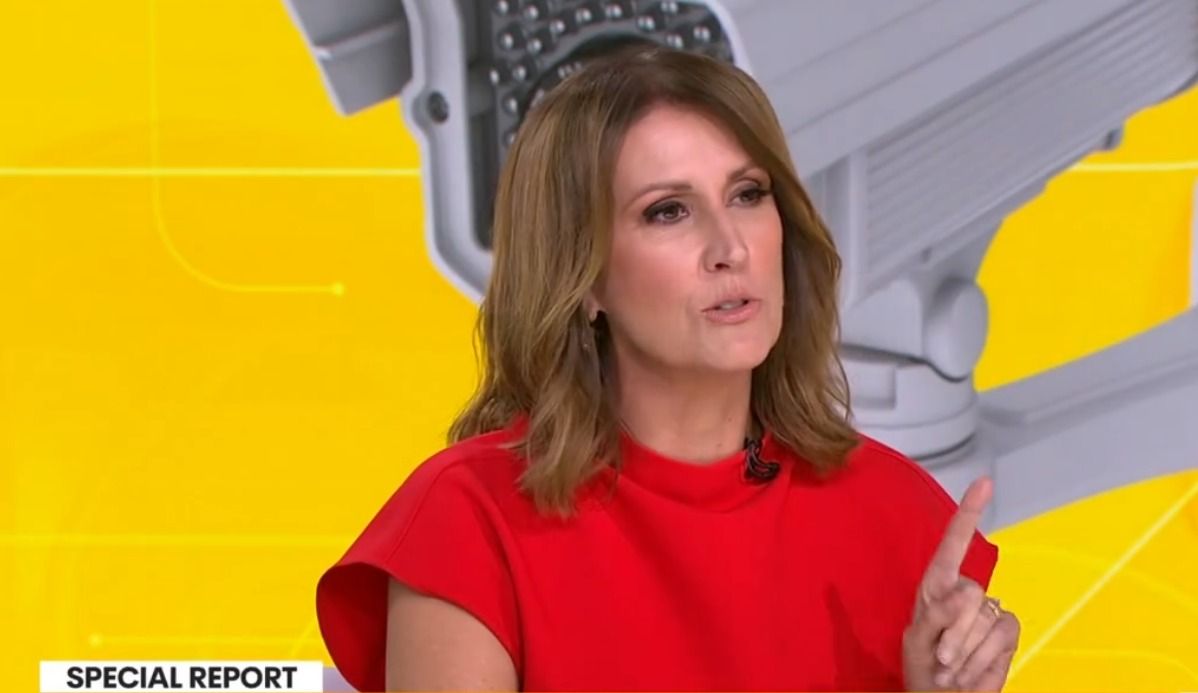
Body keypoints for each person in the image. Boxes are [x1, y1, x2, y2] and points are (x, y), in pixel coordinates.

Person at [315, 46, 1020, 692]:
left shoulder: (897, 517)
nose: (730, 247)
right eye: (668, 211)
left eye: (747, 194)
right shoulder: (469, 522)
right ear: (583, 276)